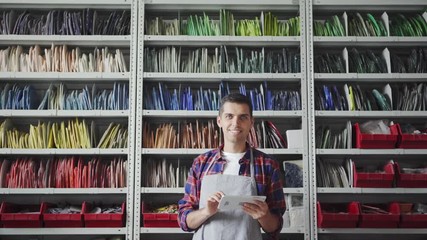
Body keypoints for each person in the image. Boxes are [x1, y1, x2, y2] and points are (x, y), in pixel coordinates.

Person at [178, 93, 286, 240]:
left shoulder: (267, 164)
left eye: (243, 117)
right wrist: (206, 211)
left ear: (251, 122)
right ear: (219, 121)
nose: (236, 123)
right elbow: (185, 221)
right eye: (229, 116)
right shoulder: (201, 163)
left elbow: (275, 227)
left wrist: (265, 215)